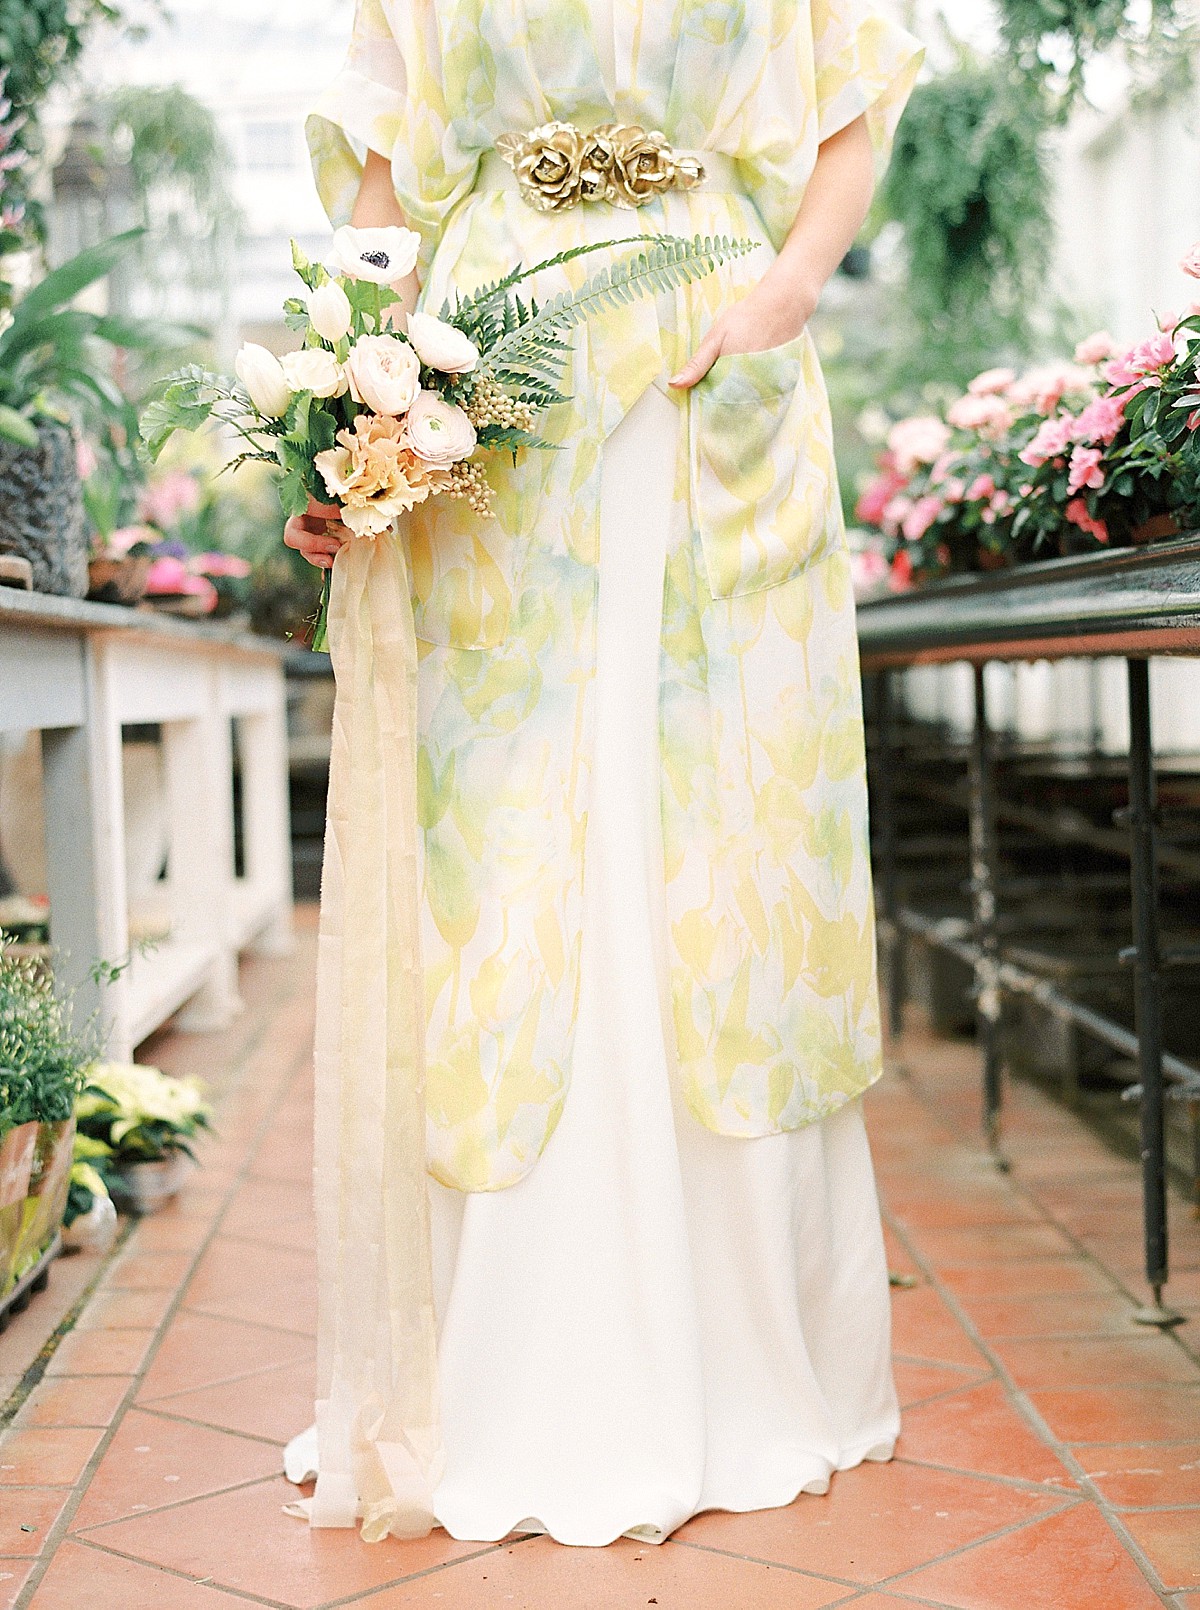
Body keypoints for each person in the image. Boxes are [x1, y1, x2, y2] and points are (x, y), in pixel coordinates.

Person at [284, 0, 924, 1549]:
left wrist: (783, 292)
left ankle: (744, 1360)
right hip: (495, 397)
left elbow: (849, 108)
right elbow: (384, 170)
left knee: (719, 821)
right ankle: (510, 1374)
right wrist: (347, 401)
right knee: (507, 832)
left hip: (715, 370)